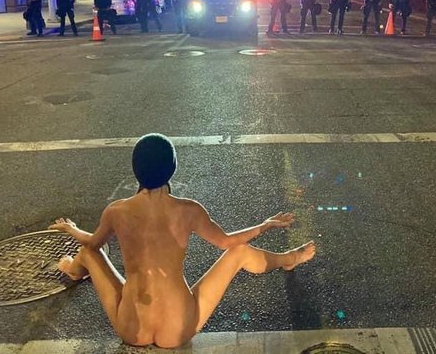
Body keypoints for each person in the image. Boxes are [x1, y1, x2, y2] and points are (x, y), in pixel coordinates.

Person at [50, 133, 316, 350]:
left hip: (131, 327)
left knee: (88, 253)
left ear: (136, 170)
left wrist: (72, 229)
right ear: (172, 168)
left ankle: (73, 270)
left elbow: (93, 244)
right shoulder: (189, 210)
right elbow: (227, 242)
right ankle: (290, 259)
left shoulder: (116, 211)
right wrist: (264, 225)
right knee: (240, 252)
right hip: (177, 329)